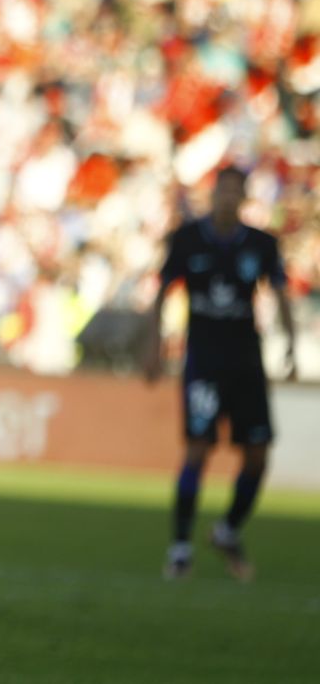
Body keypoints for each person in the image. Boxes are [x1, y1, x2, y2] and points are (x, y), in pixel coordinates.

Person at [147, 165, 298, 583]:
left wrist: (288, 342)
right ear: (212, 195)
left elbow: (280, 290)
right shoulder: (188, 237)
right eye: (222, 191)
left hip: (246, 363)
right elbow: (162, 291)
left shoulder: (262, 243)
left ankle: (227, 529)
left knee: (258, 455)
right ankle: (180, 547)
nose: (228, 198)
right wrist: (153, 346)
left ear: (245, 198)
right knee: (198, 447)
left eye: (236, 191)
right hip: (204, 364)